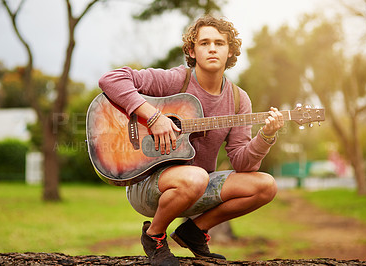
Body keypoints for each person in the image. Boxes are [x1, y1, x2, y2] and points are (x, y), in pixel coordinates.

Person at [98, 15, 284, 266]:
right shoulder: (176, 80)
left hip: (198, 187)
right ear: (191, 50)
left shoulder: (239, 100)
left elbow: (243, 164)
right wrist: (153, 117)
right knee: (196, 176)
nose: (212, 48)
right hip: (148, 184)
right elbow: (111, 79)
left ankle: (193, 231)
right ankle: (154, 236)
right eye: (204, 43)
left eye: (219, 43)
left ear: (230, 51)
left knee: (266, 186)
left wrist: (266, 136)